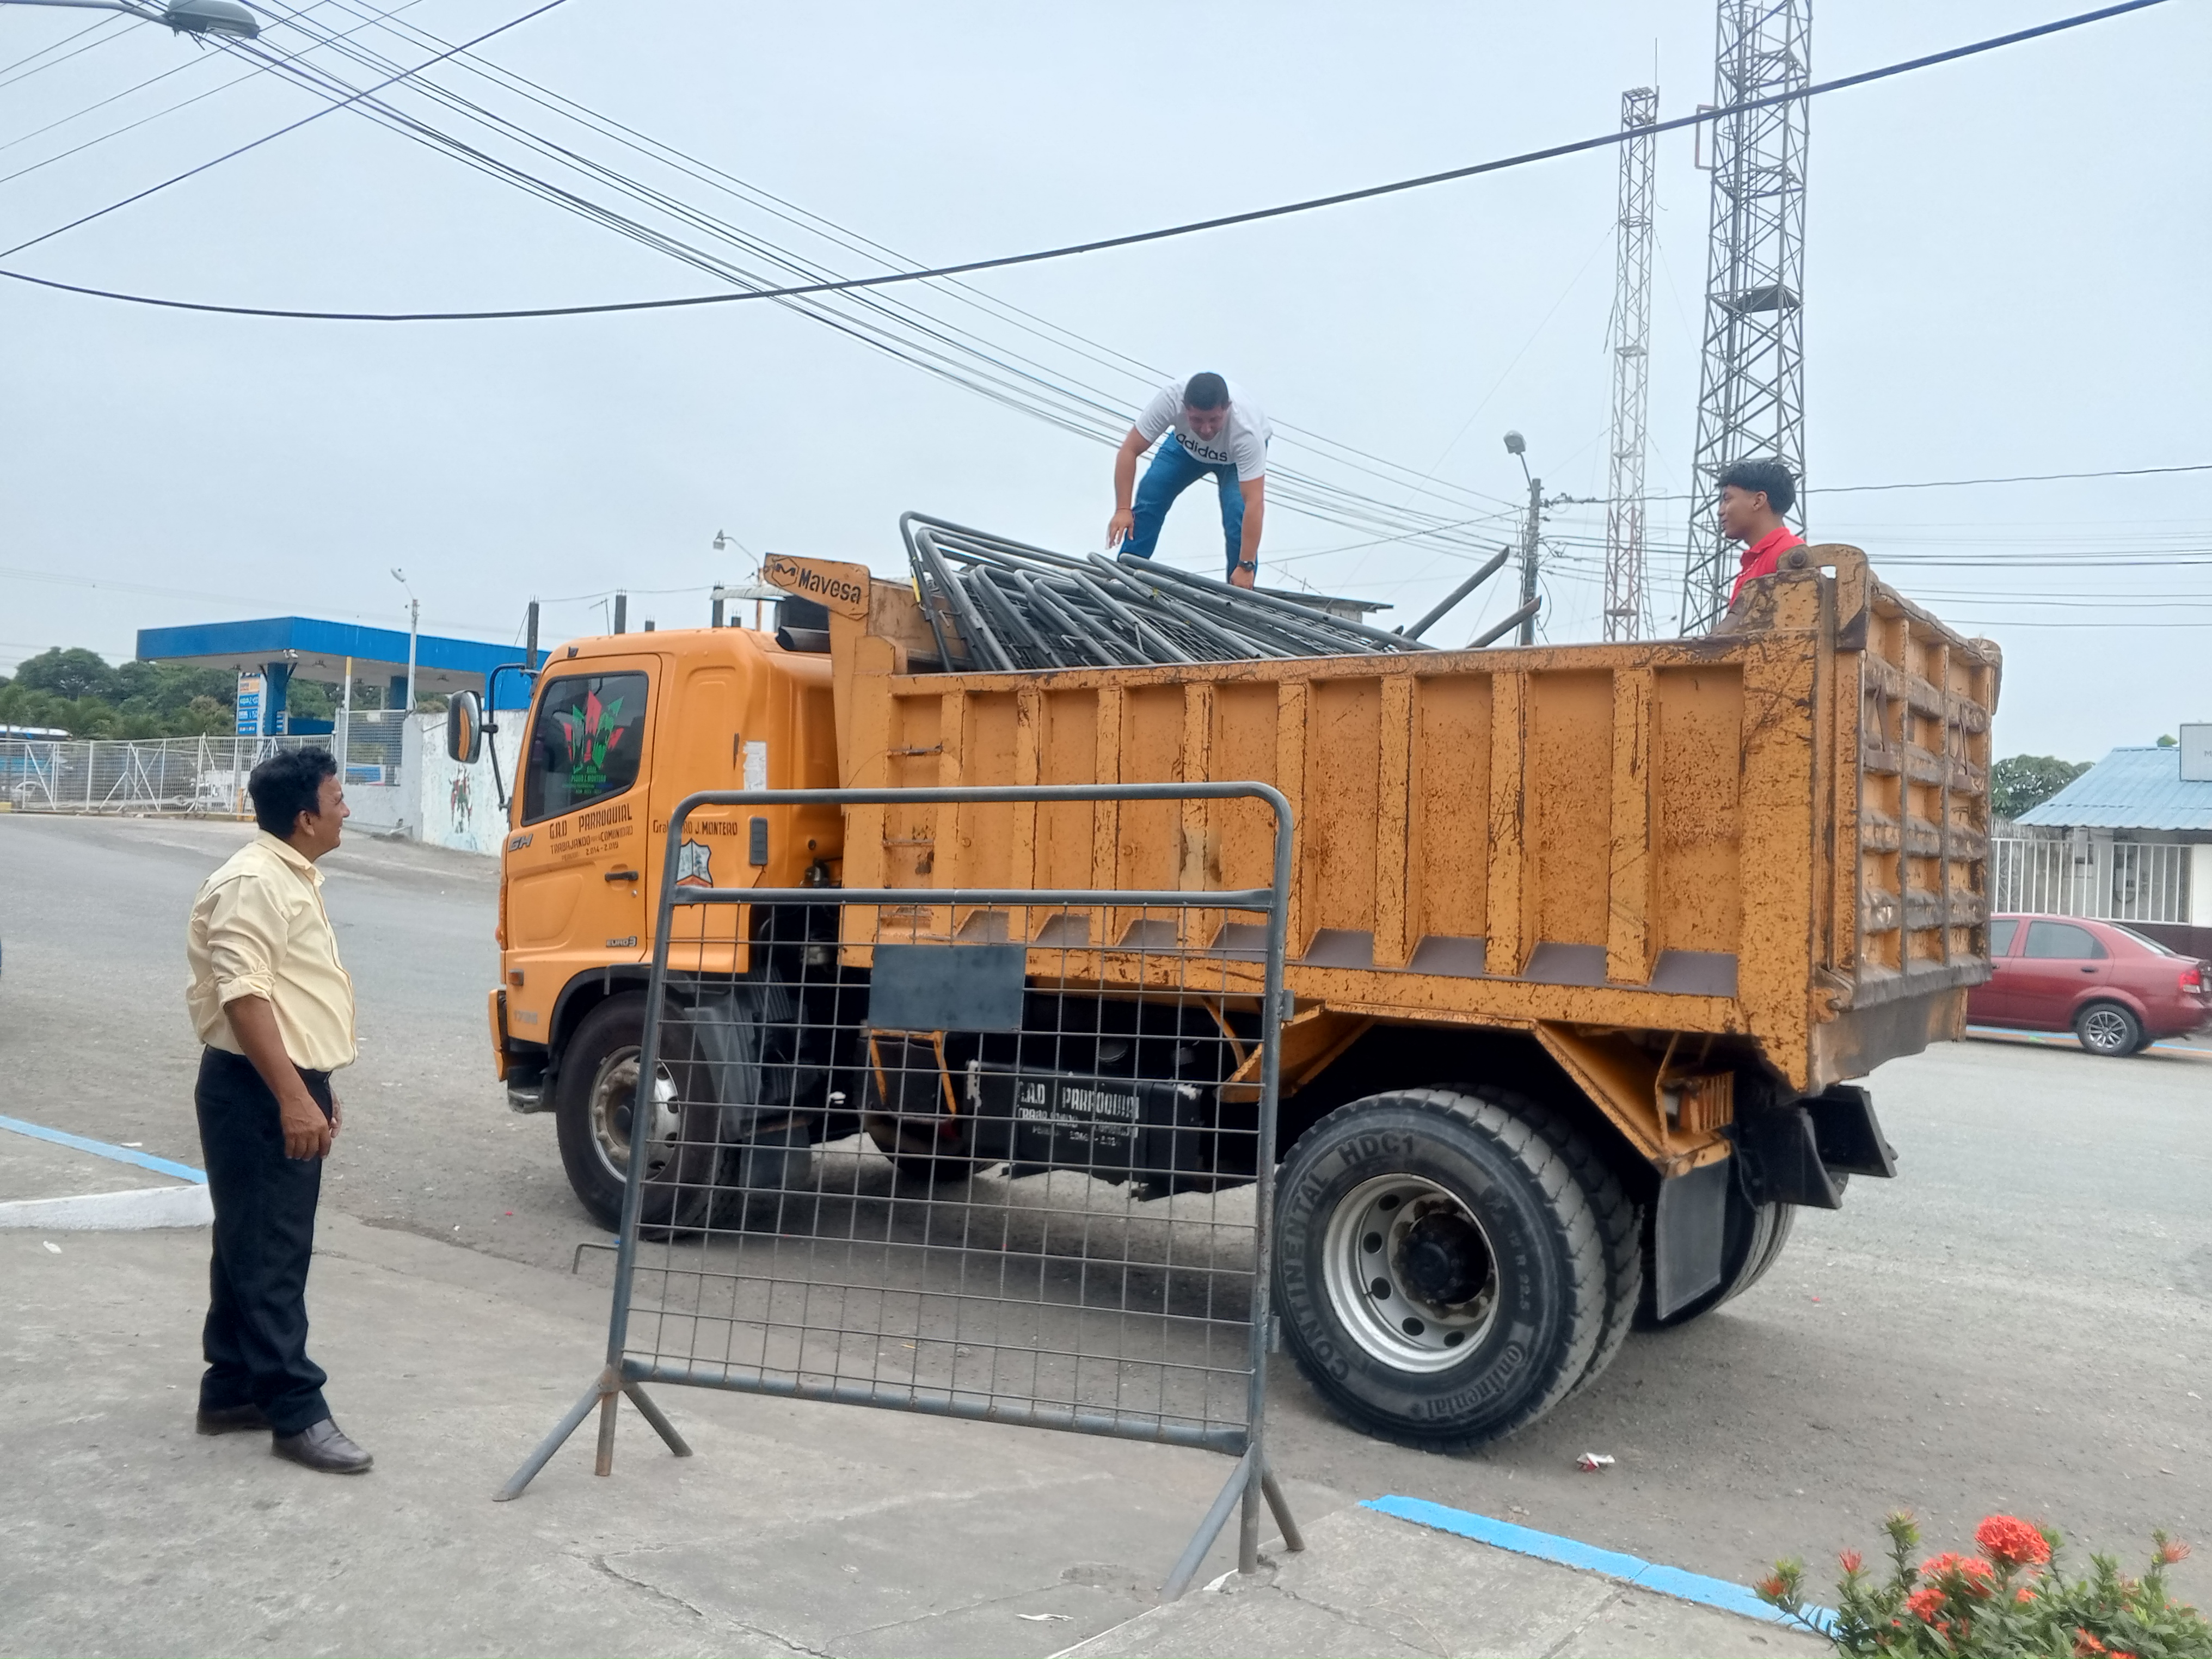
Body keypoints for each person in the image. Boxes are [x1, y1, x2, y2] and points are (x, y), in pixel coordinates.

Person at [185, 746, 370, 1473]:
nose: (345, 809)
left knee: (250, 1240)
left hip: (279, 1080)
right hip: (256, 1090)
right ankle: (296, 1410)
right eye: (336, 798)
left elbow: (289, 998)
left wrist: (315, 1083)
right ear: (305, 818)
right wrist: (294, 1096)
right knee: (272, 1253)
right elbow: (245, 996)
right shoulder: (255, 882)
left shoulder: (286, 874)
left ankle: (232, 1388)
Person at [1107, 371, 1270, 588]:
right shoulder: (1170, 399)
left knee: (1237, 515)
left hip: (1233, 461)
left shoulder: (1246, 431)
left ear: (1227, 408)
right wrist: (1122, 509)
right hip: (1185, 450)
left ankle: (1238, 591)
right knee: (1152, 492)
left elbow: (1254, 502)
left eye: (1214, 420)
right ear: (1184, 408)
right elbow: (1129, 449)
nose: (1206, 430)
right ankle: (1126, 574)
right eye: (1197, 420)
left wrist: (1247, 565)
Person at [1716, 458, 1806, 616]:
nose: (1720, 511)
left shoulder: (1789, 554)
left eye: (1727, 499)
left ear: (1758, 501)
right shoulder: (1756, 560)